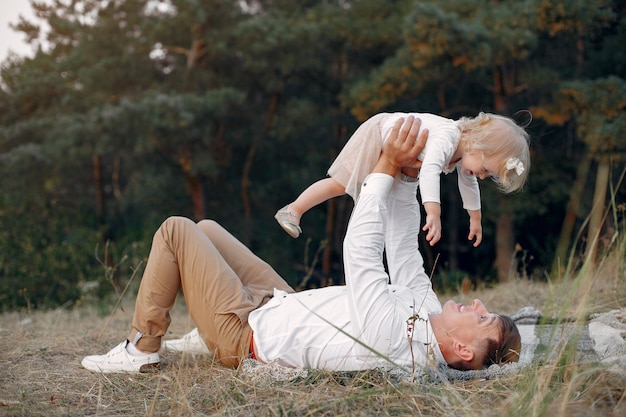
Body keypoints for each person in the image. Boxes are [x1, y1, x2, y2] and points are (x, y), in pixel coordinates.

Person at [81, 116, 521, 374]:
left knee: (177, 229)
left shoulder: (401, 336)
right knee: (208, 228)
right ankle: (198, 337)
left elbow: (362, 253)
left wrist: (384, 167)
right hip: (280, 305)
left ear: (463, 350)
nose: (479, 304)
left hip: (247, 336)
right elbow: (404, 251)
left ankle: (140, 349)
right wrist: (406, 178)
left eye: (484, 320)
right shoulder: (425, 312)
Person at [275, 112, 530, 248]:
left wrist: (475, 218)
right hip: (381, 132)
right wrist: (433, 212)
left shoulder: (465, 155)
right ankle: (293, 210)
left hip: (397, 149)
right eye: (485, 169)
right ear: (477, 144)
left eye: (488, 175)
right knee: (343, 184)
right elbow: (429, 170)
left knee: (381, 197)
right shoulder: (448, 138)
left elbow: (468, 183)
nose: (482, 176)